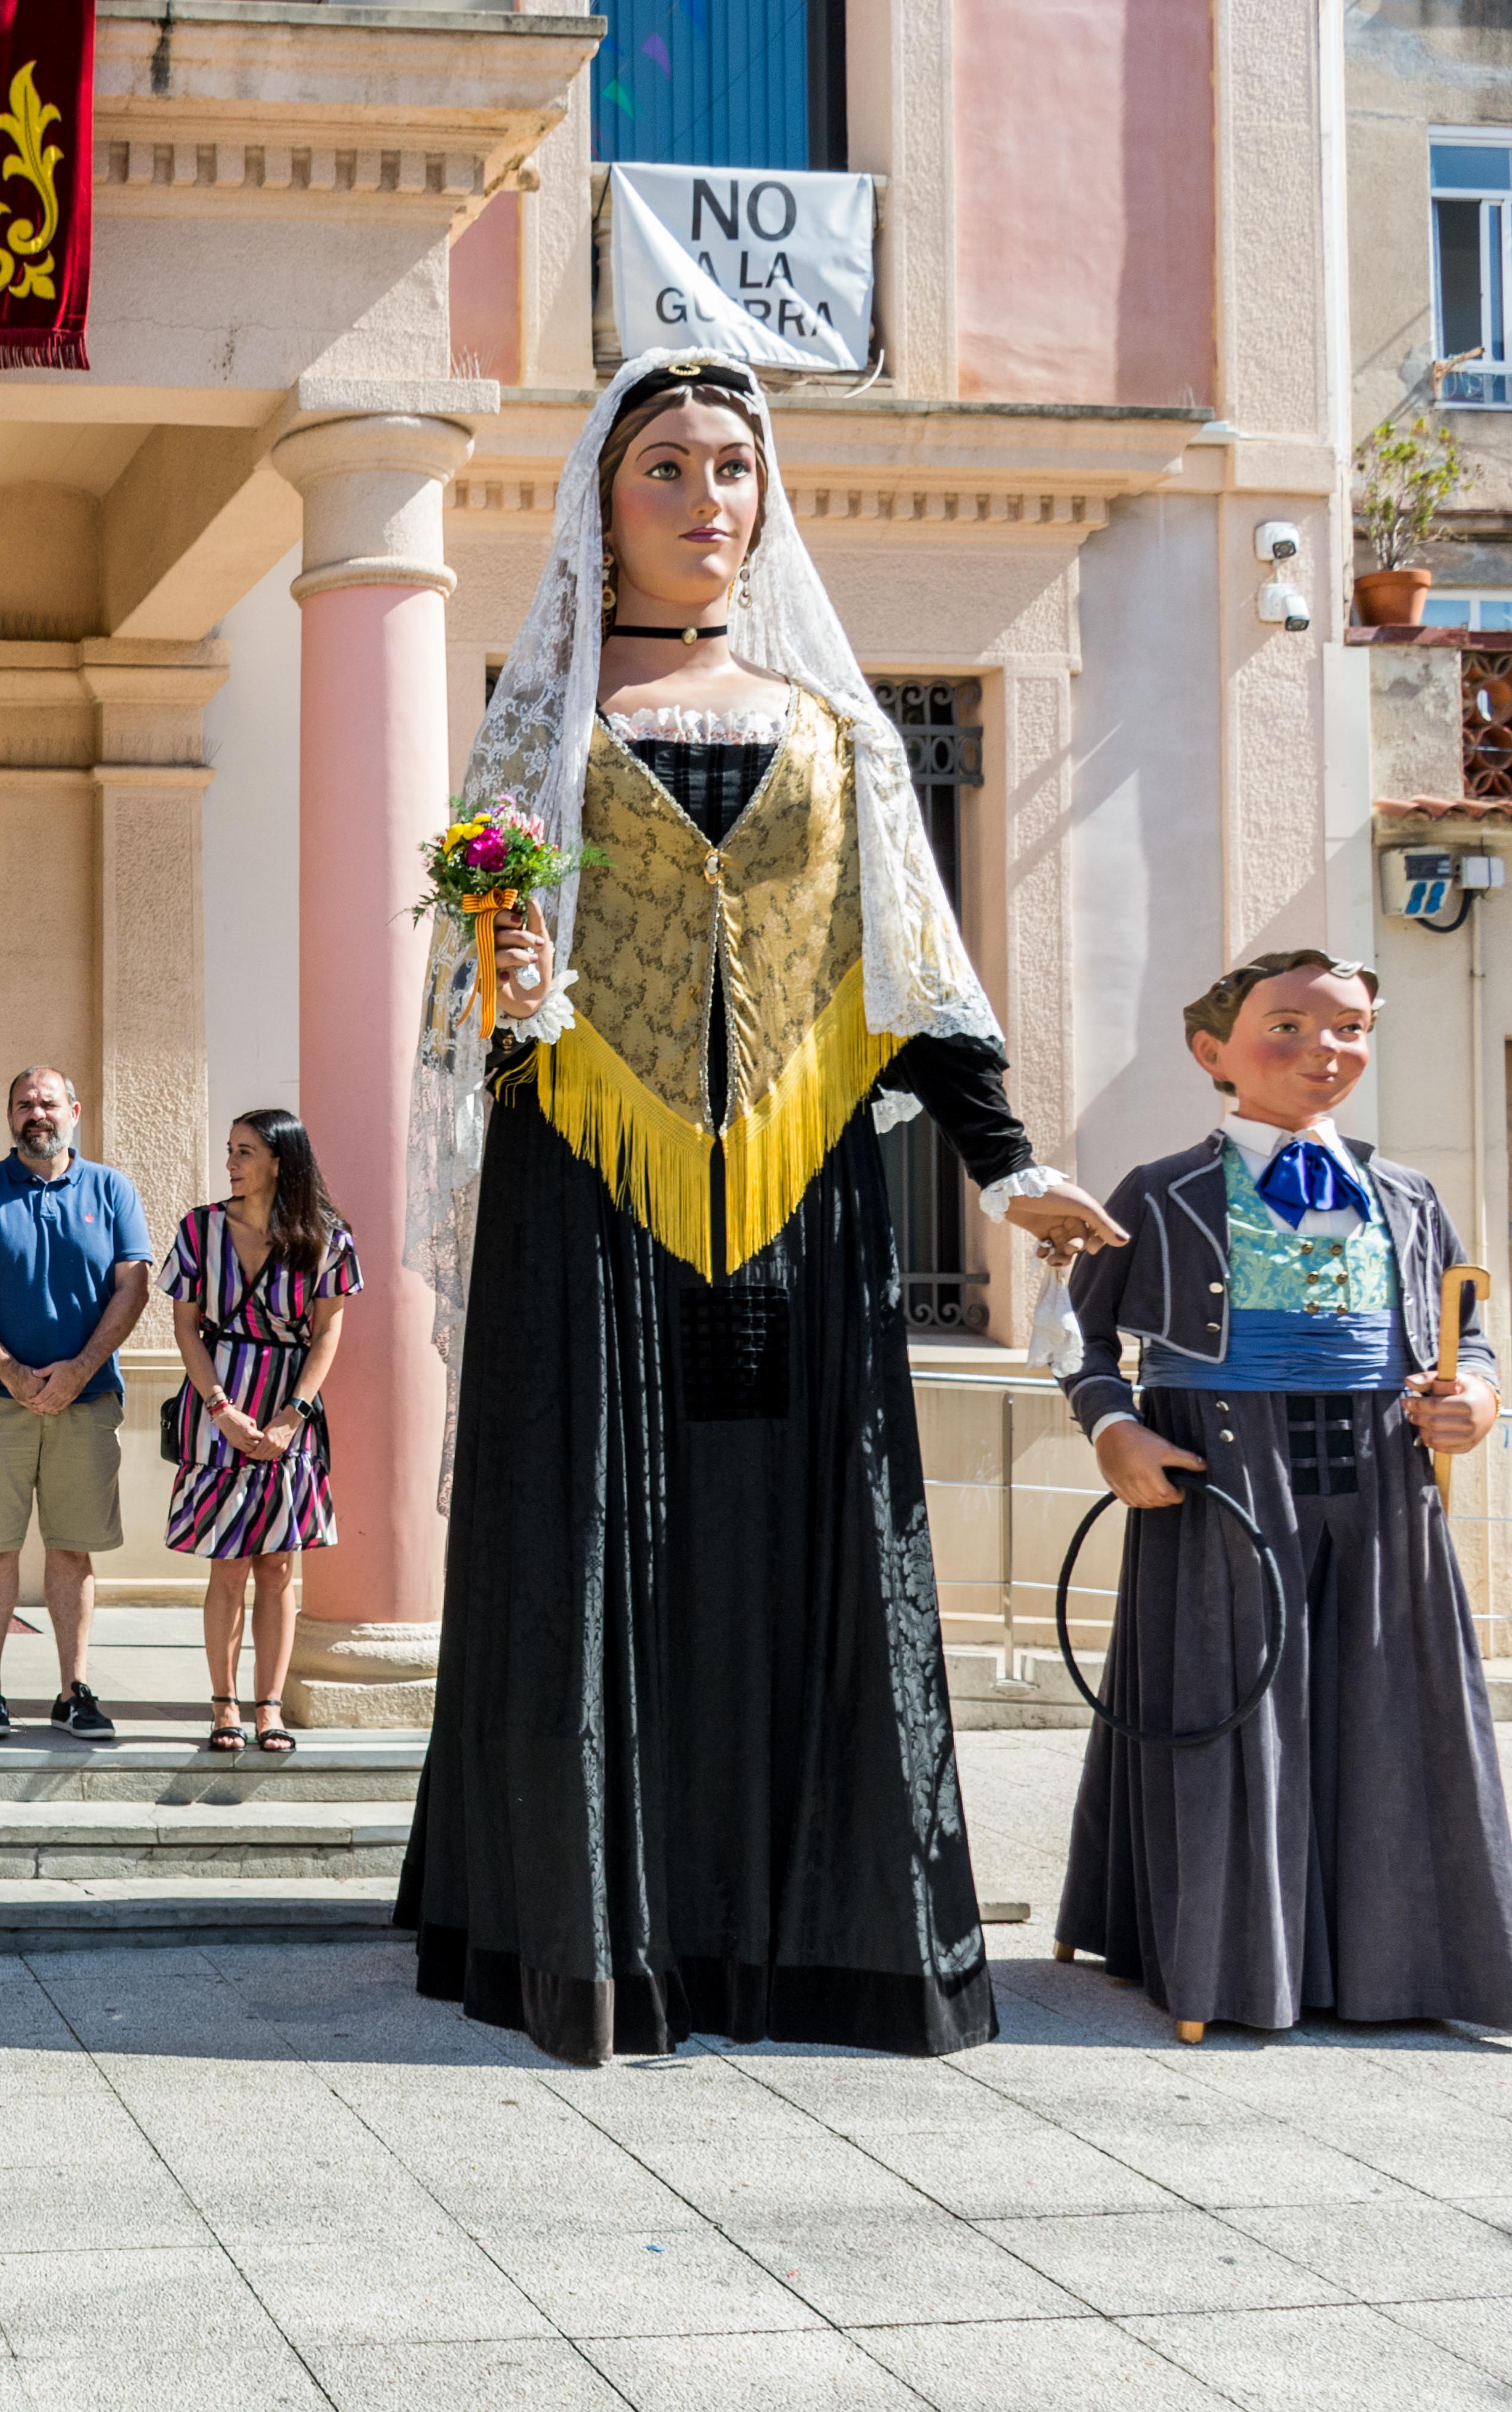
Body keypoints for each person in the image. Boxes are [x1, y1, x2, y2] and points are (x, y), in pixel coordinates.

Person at [392, 350, 1129, 2065]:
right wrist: (503, 992)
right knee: (598, 1539)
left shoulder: (840, 729)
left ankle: (818, 1939)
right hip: (584, 1183)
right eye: (668, 466)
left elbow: (914, 967)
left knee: (801, 1545)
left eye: (734, 466)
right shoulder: (543, 729)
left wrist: (1008, 1165)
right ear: (602, 499)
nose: (708, 500)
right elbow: (469, 1001)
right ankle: (595, 1931)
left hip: (805, 1200)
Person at [1051, 952, 1512, 2038]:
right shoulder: (1158, 1194)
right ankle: (1231, 1967)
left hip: (1382, 1478)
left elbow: (1468, 1329)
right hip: (1222, 1469)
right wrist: (1114, 1427)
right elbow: (1078, 1335)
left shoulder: (1405, 1194)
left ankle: (1404, 1966)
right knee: (1230, 1700)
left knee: (1395, 1700)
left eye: (1351, 1029)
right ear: (1214, 1052)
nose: (1326, 1052)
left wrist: (1480, 1396)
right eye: (1291, 1028)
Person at [0, 1066, 151, 1744]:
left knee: (72, 1548)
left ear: (75, 1111)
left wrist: (79, 1369)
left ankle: (74, 1691)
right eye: (25, 1103)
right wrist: (8, 1371)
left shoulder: (112, 1189)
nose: (37, 1113)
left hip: (84, 1402)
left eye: (49, 1103)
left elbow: (134, 1288)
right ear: (10, 1116)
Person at [161, 1111, 360, 1755]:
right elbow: (186, 1325)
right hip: (218, 1406)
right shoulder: (200, 1228)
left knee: (277, 1566)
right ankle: (225, 1705)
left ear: (281, 1160)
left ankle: (268, 1706)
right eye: (229, 1151)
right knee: (228, 1562)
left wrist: (292, 1416)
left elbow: (328, 1331)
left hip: (289, 1411)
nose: (231, 1163)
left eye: (244, 1152)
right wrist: (220, 1407)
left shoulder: (329, 1237)